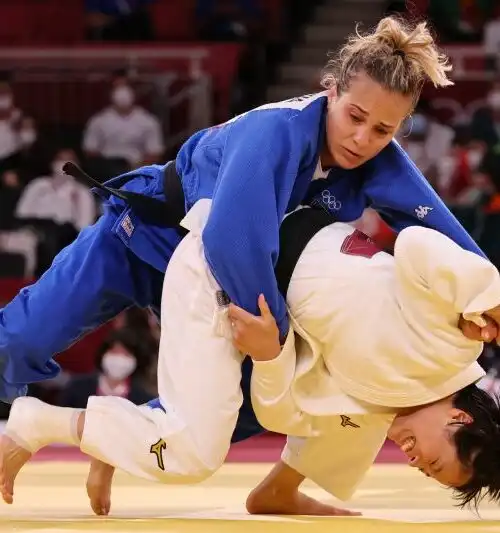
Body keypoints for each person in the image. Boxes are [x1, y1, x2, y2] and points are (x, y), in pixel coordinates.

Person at [0, 14, 490, 511]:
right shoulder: (276, 132)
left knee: (254, 402)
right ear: (331, 91)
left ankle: (115, 435)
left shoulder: (379, 158)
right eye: (356, 117)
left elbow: (439, 232)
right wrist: (273, 339)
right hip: (152, 237)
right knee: (21, 337)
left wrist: (484, 303)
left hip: (222, 282)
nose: (363, 138)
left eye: (383, 129)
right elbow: (234, 242)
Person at [2, 213, 500, 516]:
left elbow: (276, 421)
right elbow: (416, 243)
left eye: (425, 474)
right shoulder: (458, 341)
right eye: (433, 463)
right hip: (208, 249)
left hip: (232, 303)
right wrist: (489, 295)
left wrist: (271, 355)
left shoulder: (373, 416)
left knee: (214, 430)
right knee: (14, 344)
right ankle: (39, 422)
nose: (415, 463)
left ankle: (90, 432)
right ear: (461, 417)